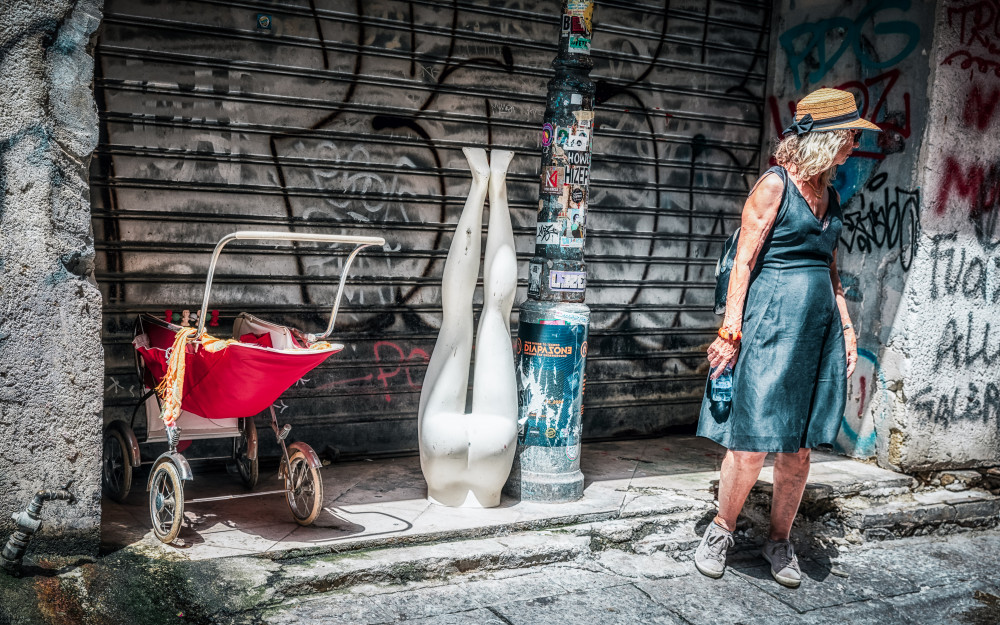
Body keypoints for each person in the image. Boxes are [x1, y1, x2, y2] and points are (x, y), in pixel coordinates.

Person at [693, 88, 880, 588]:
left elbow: (831, 270)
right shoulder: (775, 186)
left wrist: (846, 328)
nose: (854, 147)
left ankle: (779, 539)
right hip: (770, 327)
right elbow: (743, 263)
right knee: (751, 443)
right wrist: (730, 332)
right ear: (826, 138)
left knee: (799, 449)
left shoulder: (831, 194)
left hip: (817, 333)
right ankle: (721, 528)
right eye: (849, 137)